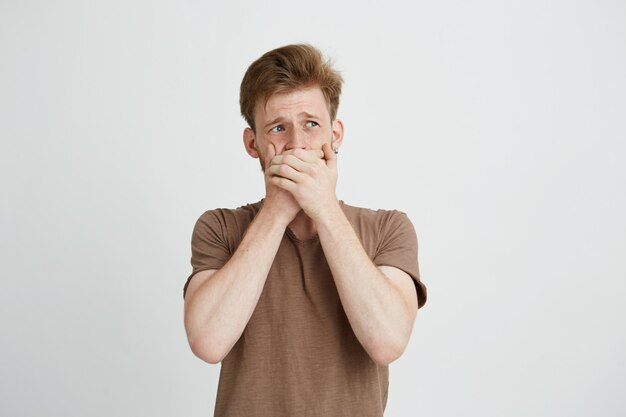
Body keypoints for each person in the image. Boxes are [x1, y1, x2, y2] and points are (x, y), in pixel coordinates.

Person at [183, 44, 427, 417]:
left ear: (336, 135)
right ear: (253, 144)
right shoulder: (220, 228)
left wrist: (324, 209)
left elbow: (388, 342)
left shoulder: (387, 228)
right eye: (279, 128)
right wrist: (275, 213)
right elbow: (207, 343)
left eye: (312, 125)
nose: (297, 144)